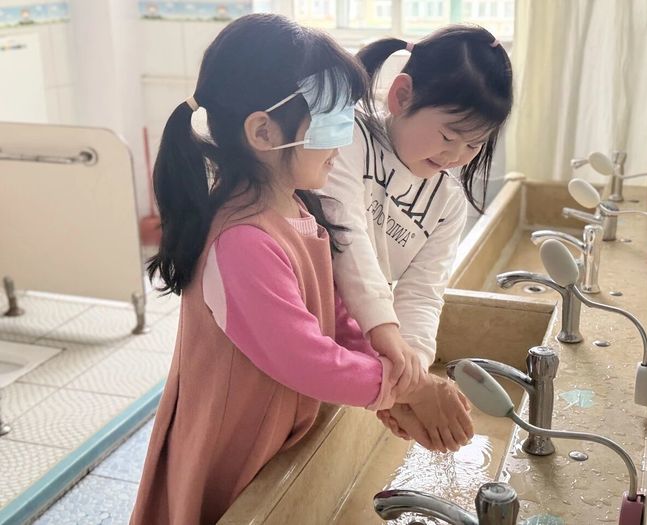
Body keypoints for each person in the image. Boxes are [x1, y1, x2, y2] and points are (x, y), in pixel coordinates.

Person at [130, 14, 473, 525]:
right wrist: (403, 387)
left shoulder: (297, 209)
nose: (343, 142)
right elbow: (306, 360)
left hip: (273, 430)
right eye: (333, 123)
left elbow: (333, 314)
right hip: (230, 446)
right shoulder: (241, 242)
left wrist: (391, 378)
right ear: (264, 132)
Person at [318, 25, 513, 439]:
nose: (455, 155)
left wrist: (412, 372)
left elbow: (423, 293)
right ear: (402, 95)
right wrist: (395, 351)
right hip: (313, 331)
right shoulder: (347, 138)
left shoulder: (448, 202)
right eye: (448, 136)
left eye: (474, 145)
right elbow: (346, 236)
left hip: (358, 355)